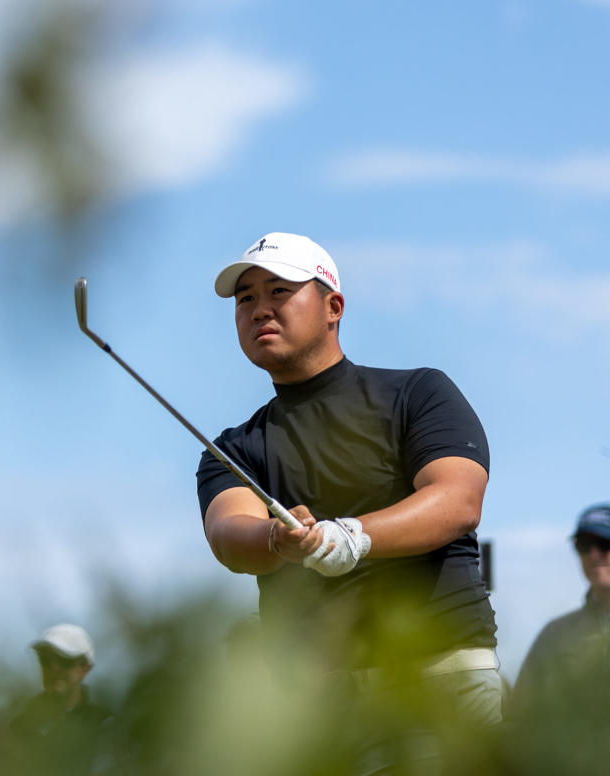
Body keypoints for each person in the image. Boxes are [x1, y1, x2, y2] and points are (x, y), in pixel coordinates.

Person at [197, 233, 503, 770]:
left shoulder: (418, 393)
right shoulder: (234, 447)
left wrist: (352, 536)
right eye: (245, 299)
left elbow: (456, 500)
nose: (259, 308)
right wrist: (277, 538)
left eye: (279, 290)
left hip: (438, 682)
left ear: (332, 306)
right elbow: (229, 535)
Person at [514, 503, 610, 710]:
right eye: (583, 545)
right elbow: (520, 715)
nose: (594, 555)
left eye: (603, 543)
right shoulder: (555, 635)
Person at [5, 624, 112, 776]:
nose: (54, 668)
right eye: (45, 660)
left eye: (64, 660)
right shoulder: (19, 728)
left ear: (85, 668)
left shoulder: (104, 726)